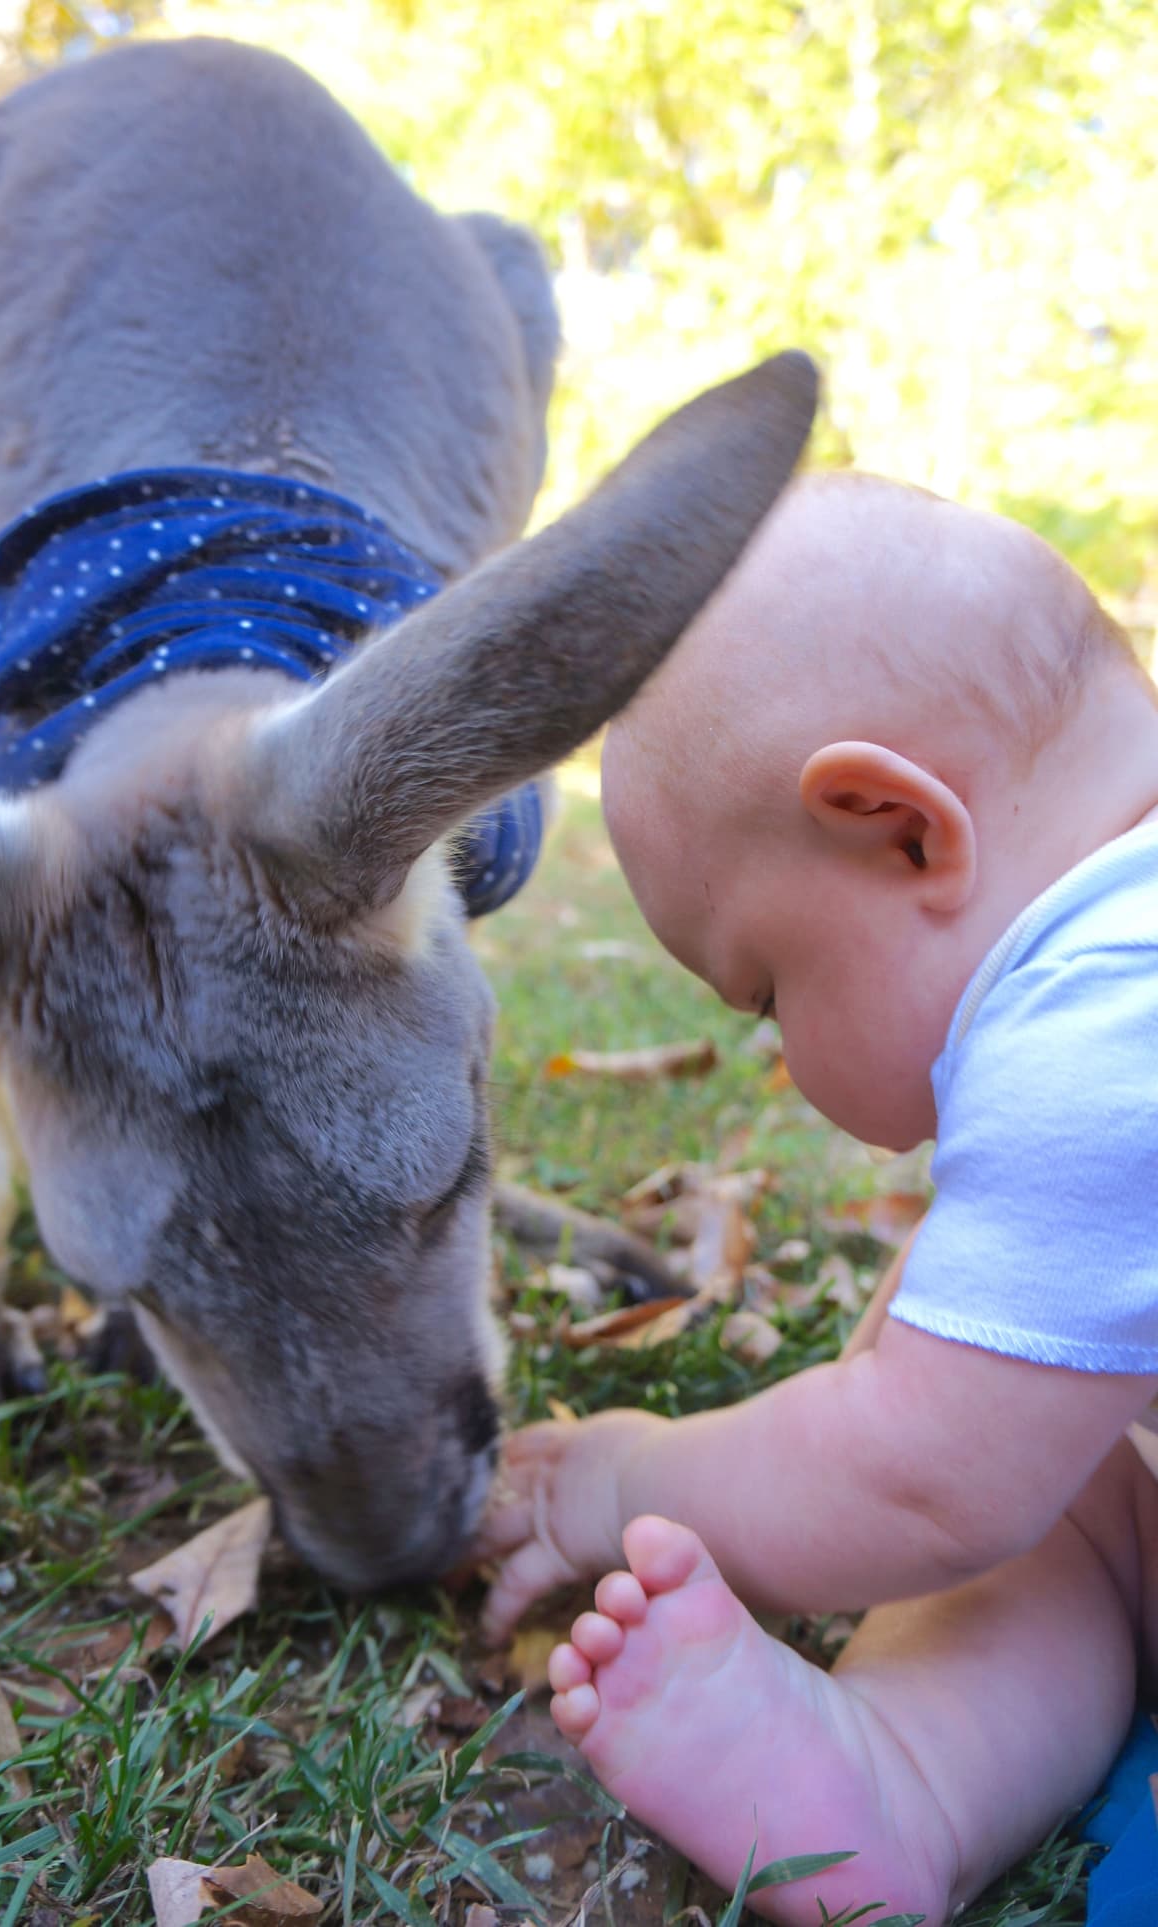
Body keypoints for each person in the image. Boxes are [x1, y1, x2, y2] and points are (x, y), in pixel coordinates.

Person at [476, 472, 1158, 1927]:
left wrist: (623, 1479)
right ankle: (890, 1780)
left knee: (1040, 1518)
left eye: (767, 991)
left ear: (901, 830)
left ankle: (913, 1770)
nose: (783, 1063)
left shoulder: (1110, 1010)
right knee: (1088, 1481)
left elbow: (923, 1475)